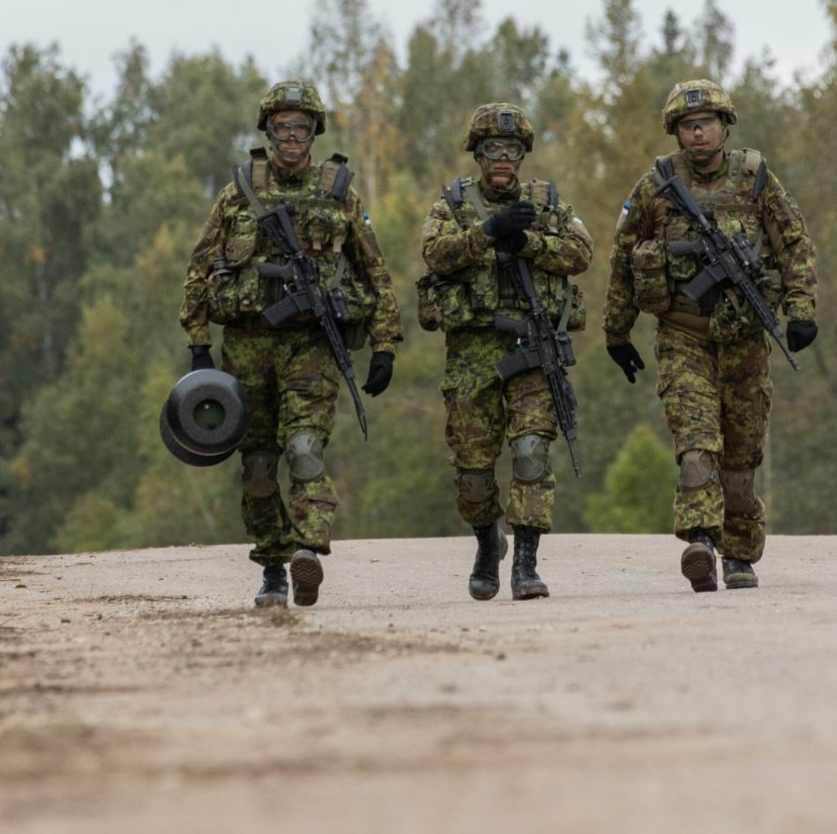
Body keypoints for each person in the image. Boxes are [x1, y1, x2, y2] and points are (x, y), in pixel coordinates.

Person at [180, 79, 402, 608]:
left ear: (315, 133)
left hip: (310, 349)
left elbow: (375, 272)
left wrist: (384, 344)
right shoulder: (239, 192)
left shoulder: (339, 193)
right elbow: (199, 267)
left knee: (304, 450)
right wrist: (198, 345)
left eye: (301, 128)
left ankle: (308, 550)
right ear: (268, 131)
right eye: (282, 127)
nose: (292, 137)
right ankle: (272, 568)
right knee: (258, 467)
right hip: (247, 349)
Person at [603, 79, 818, 592]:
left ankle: (739, 556)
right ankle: (699, 539)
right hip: (683, 335)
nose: (698, 134)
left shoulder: (755, 178)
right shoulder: (656, 185)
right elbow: (622, 256)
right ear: (677, 133)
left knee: (741, 455)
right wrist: (617, 330)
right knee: (698, 444)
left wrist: (801, 309)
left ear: (724, 125)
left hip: (744, 338)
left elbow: (794, 243)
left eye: (706, 124)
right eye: (687, 127)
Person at [418, 103, 591, 601]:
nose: (502, 158)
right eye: (492, 148)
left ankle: (527, 564)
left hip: (533, 348)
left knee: (532, 451)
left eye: (511, 150)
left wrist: (530, 241)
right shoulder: (451, 204)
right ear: (477, 154)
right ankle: (487, 540)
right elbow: (435, 253)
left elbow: (582, 252)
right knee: (473, 474)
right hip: (472, 355)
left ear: (522, 156)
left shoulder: (547, 202)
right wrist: (487, 234)